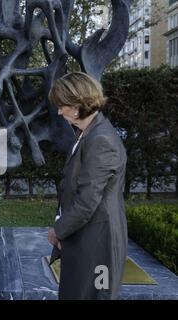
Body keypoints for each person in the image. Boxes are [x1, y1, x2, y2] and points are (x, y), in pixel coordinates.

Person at [47, 72, 128, 300]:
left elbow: (87, 201)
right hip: (85, 240)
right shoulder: (88, 133)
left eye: (61, 106)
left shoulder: (100, 140)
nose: (59, 111)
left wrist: (58, 230)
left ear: (76, 105)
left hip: (98, 247)